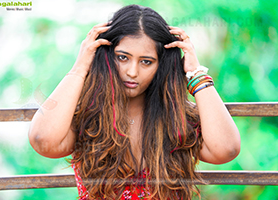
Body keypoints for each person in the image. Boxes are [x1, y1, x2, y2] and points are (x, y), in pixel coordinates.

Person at [28, 4, 241, 200]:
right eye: (122, 57)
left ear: (161, 65)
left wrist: (195, 73)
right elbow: (43, 140)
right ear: (107, 56)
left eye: (146, 62)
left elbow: (227, 149)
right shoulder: (88, 116)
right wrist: (81, 67)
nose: (132, 72)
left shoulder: (177, 119)